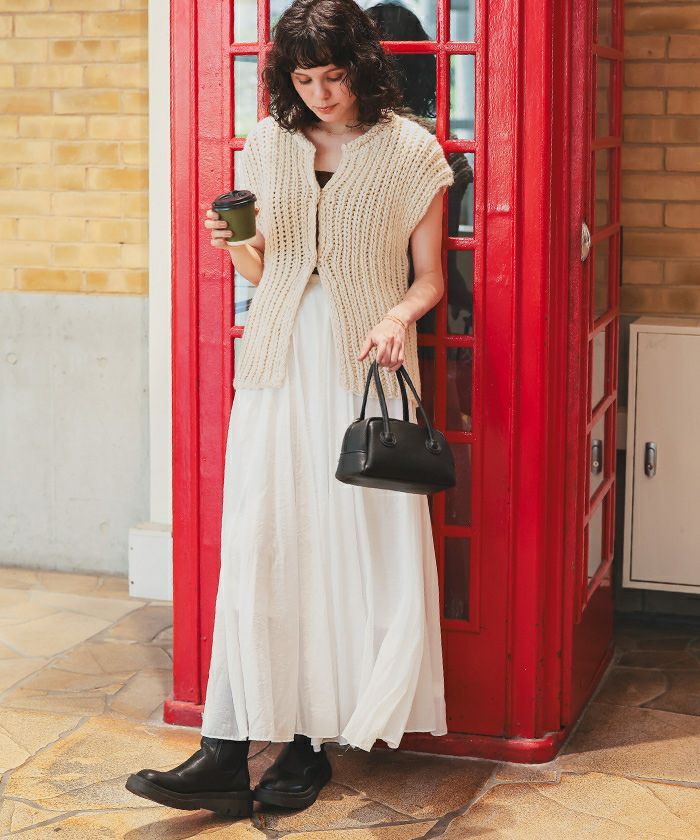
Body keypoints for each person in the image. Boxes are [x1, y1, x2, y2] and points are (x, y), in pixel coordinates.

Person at [126, 0, 454, 820]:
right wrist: (233, 242)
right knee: (264, 541)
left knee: (343, 551)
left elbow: (429, 277)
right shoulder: (270, 142)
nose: (321, 95)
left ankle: (308, 742)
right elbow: (263, 268)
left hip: (359, 368)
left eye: (334, 76)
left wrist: (397, 317)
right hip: (275, 365)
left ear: (362, 68)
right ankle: (227, 745)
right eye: (304, 80)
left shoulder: (412, 152)